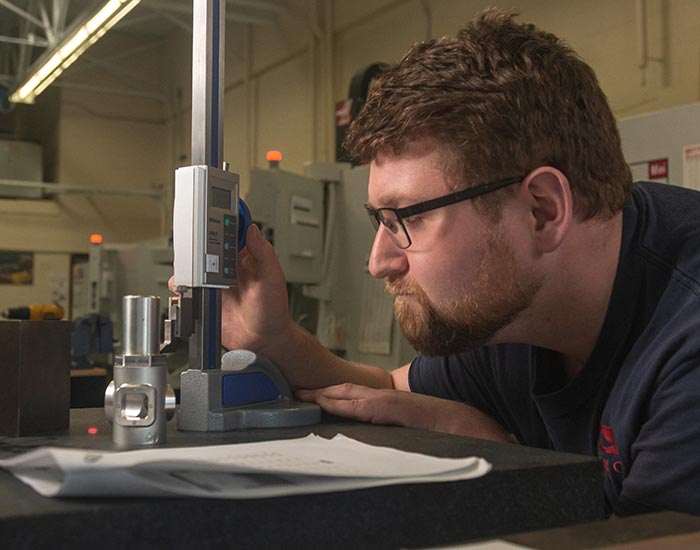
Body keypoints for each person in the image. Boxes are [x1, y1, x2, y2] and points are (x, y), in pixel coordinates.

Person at [221, 9, 700, 517]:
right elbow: (385, 391)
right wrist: (272, 340)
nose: (379, 262)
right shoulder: (518, 304)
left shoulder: (684, 336)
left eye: (408, 219)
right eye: (379, 220)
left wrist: (482, 439)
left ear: (542, 209)